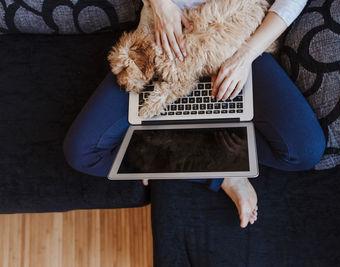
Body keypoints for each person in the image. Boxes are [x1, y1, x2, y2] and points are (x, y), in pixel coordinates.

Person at [63, 0, 326, 228]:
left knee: (304, 150)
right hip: (162, 41)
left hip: (236, 34)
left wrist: (245, 55)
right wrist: (162, 5)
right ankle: (223, 173)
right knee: (81, 151)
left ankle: (175, 153)